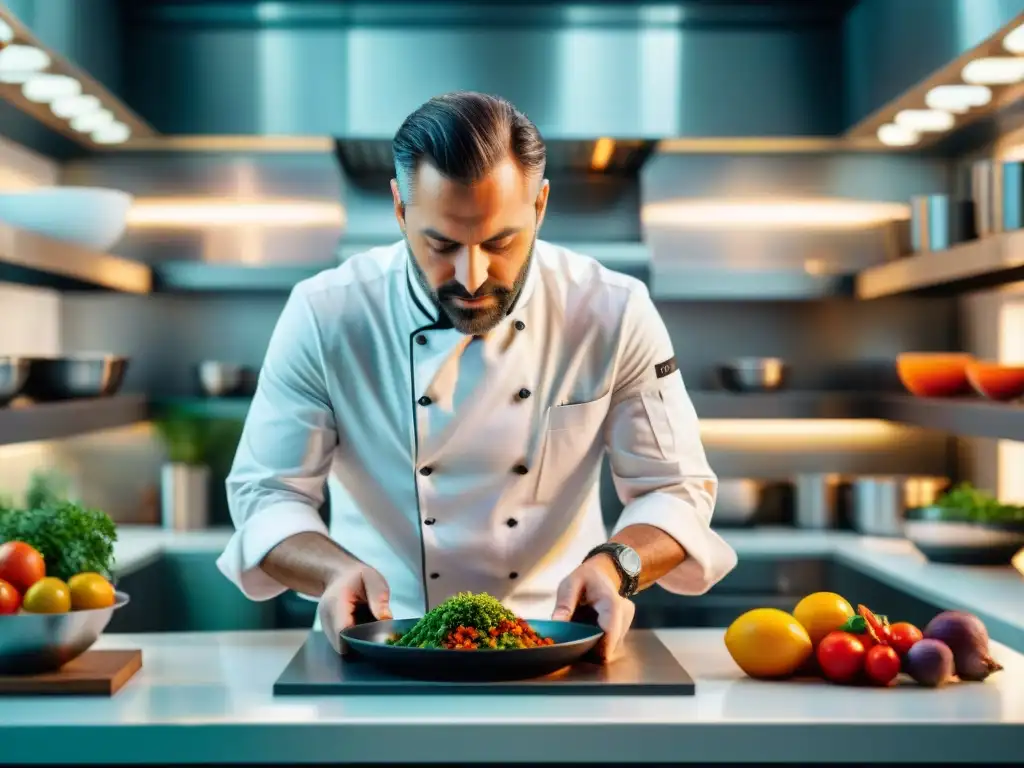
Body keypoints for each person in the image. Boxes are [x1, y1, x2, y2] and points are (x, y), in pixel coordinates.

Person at [217, 91, 737, 661]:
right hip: (384, 639)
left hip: (561, 641)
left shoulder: (611, 310)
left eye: (500, 241)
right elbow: (267, 496)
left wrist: (616, 567)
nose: (471, 276)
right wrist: (334, 571)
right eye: (441, 244)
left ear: (539, 206)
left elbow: (674, 488)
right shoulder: (327, 313)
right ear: (399, 208)